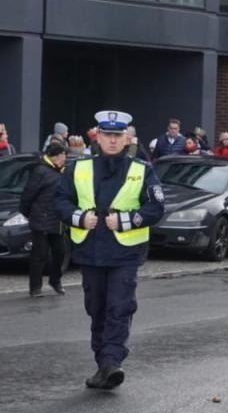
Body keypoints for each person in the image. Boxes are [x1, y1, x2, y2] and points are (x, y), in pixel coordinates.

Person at [54, 110, 165, 390]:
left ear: (127, 138)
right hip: (90, 250)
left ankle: (112, 362)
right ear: (98, 137)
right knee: (97, 308)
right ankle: (103, 364)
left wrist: (126, 221)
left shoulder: (142, 169)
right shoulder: (78, 168)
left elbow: (156, 207)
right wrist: (80, 218)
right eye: (108, 135)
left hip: (125, 252)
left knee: (119, 306)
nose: (113, 141)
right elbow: (60, 201)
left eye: (118, 135)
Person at [21, 142, 69, 297]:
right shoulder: (40, 171)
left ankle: (55, 281)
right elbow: (28, 195)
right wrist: (29, 213)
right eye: (63, 155)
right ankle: (35, 287)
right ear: (56, 156)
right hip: (41, 219)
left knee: (60, 252)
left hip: (58, 221)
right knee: (39, 255)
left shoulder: (63, 171)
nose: (65, 158)